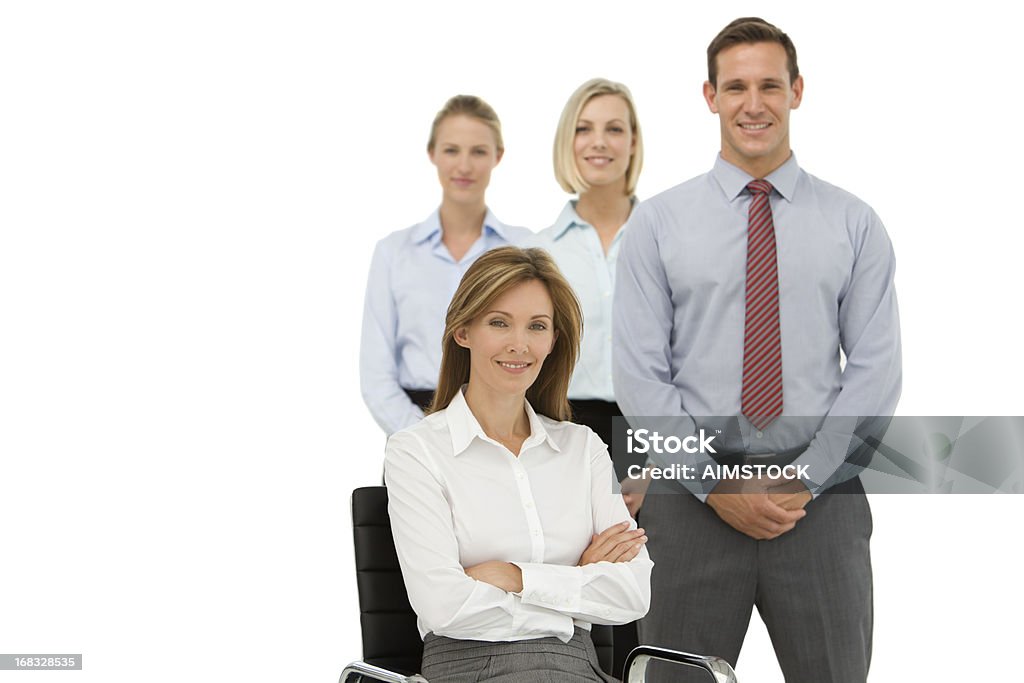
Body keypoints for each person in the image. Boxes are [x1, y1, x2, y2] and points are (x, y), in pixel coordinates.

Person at [612, 17, 901, 683]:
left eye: (770, 84)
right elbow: (640, 376)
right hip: (688, 507)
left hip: (820, 505)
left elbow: (876, 371)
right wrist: (715, 485)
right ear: (709, 96)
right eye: (735, 86)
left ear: (797, 91)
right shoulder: (657, 223)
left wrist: (805, 478)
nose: (753, 103)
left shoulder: (854, 223)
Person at [385, 246, 652, 682]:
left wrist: (513, 577)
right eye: (498, 322)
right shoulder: (416, 451)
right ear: (463, 330)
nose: (519, 344)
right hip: (467, 670)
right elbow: (444, 606)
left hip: (580, 670)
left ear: (552, 341)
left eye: (537, 327)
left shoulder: (582, 448)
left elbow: (632, 594)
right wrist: (575, 582)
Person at [525, 77, 645, 678]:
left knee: (649, 593)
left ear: (633, 143)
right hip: (566, 426)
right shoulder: (540, 252)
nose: (598, 142)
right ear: (567, 141)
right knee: (577, 582)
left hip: (652, 425)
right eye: (584, 127)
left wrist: (661, 464)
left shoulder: (665, 237)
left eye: (614, 127)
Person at [360, 95, 531, 435]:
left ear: (498, 156)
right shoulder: (394, 252)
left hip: (503, 426)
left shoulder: (525, 248)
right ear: (433, 154)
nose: (464, 166)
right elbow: (376, 374)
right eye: (452, 150)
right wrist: (422, 437)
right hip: (414, 428)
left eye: (478, 151)